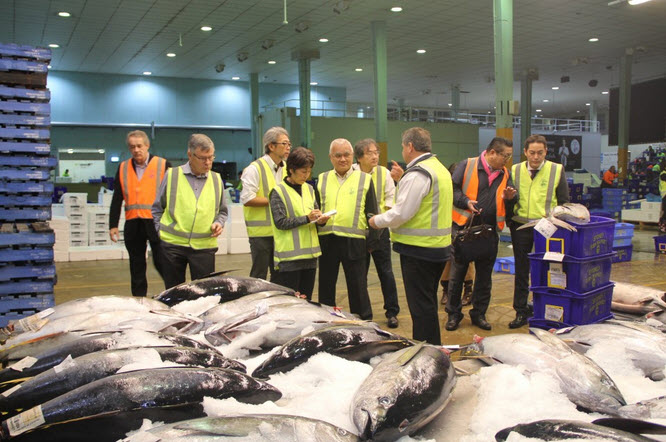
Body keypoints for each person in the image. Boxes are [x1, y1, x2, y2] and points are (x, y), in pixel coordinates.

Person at [369, 127, 452, 345]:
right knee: (427, 304)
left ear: (410, 146)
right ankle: (433, 347)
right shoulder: (439, 168)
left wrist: (376, 221)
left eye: (402, 146)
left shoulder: (418, 174)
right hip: (438, 248)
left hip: (419, 251)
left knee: (421, 308)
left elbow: (402, 213)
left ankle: (425, 351)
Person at [444, 137, 516, 331]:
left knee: (484, 278)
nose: (507, 160)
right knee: (457, 275)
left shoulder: (505, 173)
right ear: (492, 153)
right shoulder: (467, 166)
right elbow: (452, 189)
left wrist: (511, 198)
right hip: (464, 229)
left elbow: (511, 199)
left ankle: (479, 314)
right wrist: (466, 202)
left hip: (489, 231)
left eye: (509, 157)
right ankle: (453, 314)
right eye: (505, 156)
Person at [508, 134, 569, 328]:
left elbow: (564, 201)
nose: (536, 157)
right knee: (521, 269)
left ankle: (545, 307)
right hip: (521, 226)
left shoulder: (556, 170)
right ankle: (520, 310)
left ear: (546, 152)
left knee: (547, 268)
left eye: (540, 153)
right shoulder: (515, 170)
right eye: (532, 153)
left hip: (547, 228)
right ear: (525, 152)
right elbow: (509, 198)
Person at [152, 134, 227, 289]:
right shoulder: (172, 175)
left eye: (211, 157)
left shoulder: (216, 179)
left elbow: (222, 211)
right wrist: (159, 231)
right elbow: (157, 208)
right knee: (173, 291)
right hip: (172, 245)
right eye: (203, 158)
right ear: (190, 155)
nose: (208, 162)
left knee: (204, 293)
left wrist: (219, 223)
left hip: (204, 246)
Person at [317, 138, 379, 320]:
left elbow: (372, 212)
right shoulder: (322, 178)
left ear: (352, 156)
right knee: (326, 284)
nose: (343, 159)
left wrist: (372, 241)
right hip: (327, 240)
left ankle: (363, 320)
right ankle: (326, 319)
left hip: (355, 241)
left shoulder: (364, 179)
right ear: (330, 157)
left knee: (358, 286)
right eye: (338, 155)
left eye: (346, 155)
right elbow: (316, 208)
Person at [109, 130, 169, 297]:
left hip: (156, 222)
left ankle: (174, 293)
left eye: (139, 146)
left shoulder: (162, 165)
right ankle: (139, 300)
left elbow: (173, 195)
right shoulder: (123, 168)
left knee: (163, 263)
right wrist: (113, 225)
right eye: (132, 147)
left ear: (147, 146)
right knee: (136, 266)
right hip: (133, 223)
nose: (136, 150)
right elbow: (117, 197)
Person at [352, 138, 400, 328]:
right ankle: (363, 314)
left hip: (380, 230)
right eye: (370, 153)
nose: (375, 156)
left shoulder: (383, 173)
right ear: (359, 157)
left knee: (386, 272)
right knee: (359, 275)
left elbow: (390, 197)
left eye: (376, 152)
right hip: (358, 231)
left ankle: (392, 312)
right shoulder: (351, 173)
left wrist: (381, 219)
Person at [269, 147, 330, 297]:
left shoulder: (309, 189)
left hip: (310, 257)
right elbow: (280, 222)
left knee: (306, 300)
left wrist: (320, 220)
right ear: (291, 170)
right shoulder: (278, 192)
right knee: (289, 302)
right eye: (303, 171)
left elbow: (314, 214)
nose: (306, 175)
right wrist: (307, 218)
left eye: (309, 171)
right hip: (289, 260)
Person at [241, 127, 290, 281]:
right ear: (271, 146)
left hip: (281, 232)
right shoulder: (254, 169)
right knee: (259, 276)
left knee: (280, 275)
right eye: (284, 144)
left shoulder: (287, 169)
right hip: (261, 234)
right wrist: (275, 201)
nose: (288, 147)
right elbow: (247, 198)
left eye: (289, 144)